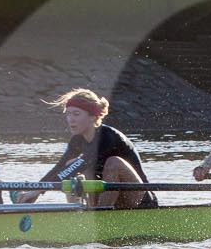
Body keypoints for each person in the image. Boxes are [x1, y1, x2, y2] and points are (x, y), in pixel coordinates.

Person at [15, 88, 158, 211]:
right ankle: (79, 216)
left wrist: (38, 190)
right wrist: (35, 191)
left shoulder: (108, 137)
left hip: (140, 201)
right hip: (109, 198)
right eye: (68, 114)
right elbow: (58, 168)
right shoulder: (77, 141)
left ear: (93, 117)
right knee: (69, 164)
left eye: (76, 114)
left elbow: (83, 163)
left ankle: (101, 217)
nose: (70, 119)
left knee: (113, 163)